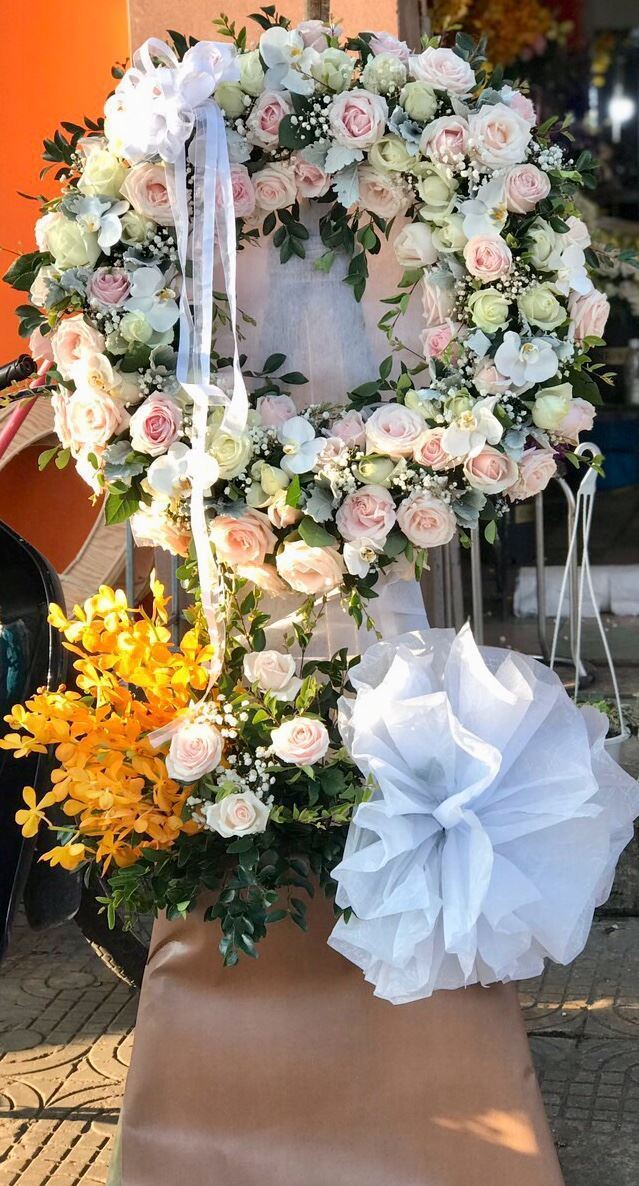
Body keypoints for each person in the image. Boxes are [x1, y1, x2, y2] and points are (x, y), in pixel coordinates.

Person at [110, 203, 565, 1186]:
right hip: (261, 545)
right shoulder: (227, 212)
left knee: (389, 713)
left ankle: (423, 1083)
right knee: (274, 699)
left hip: (368, 519)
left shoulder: (366, 233)